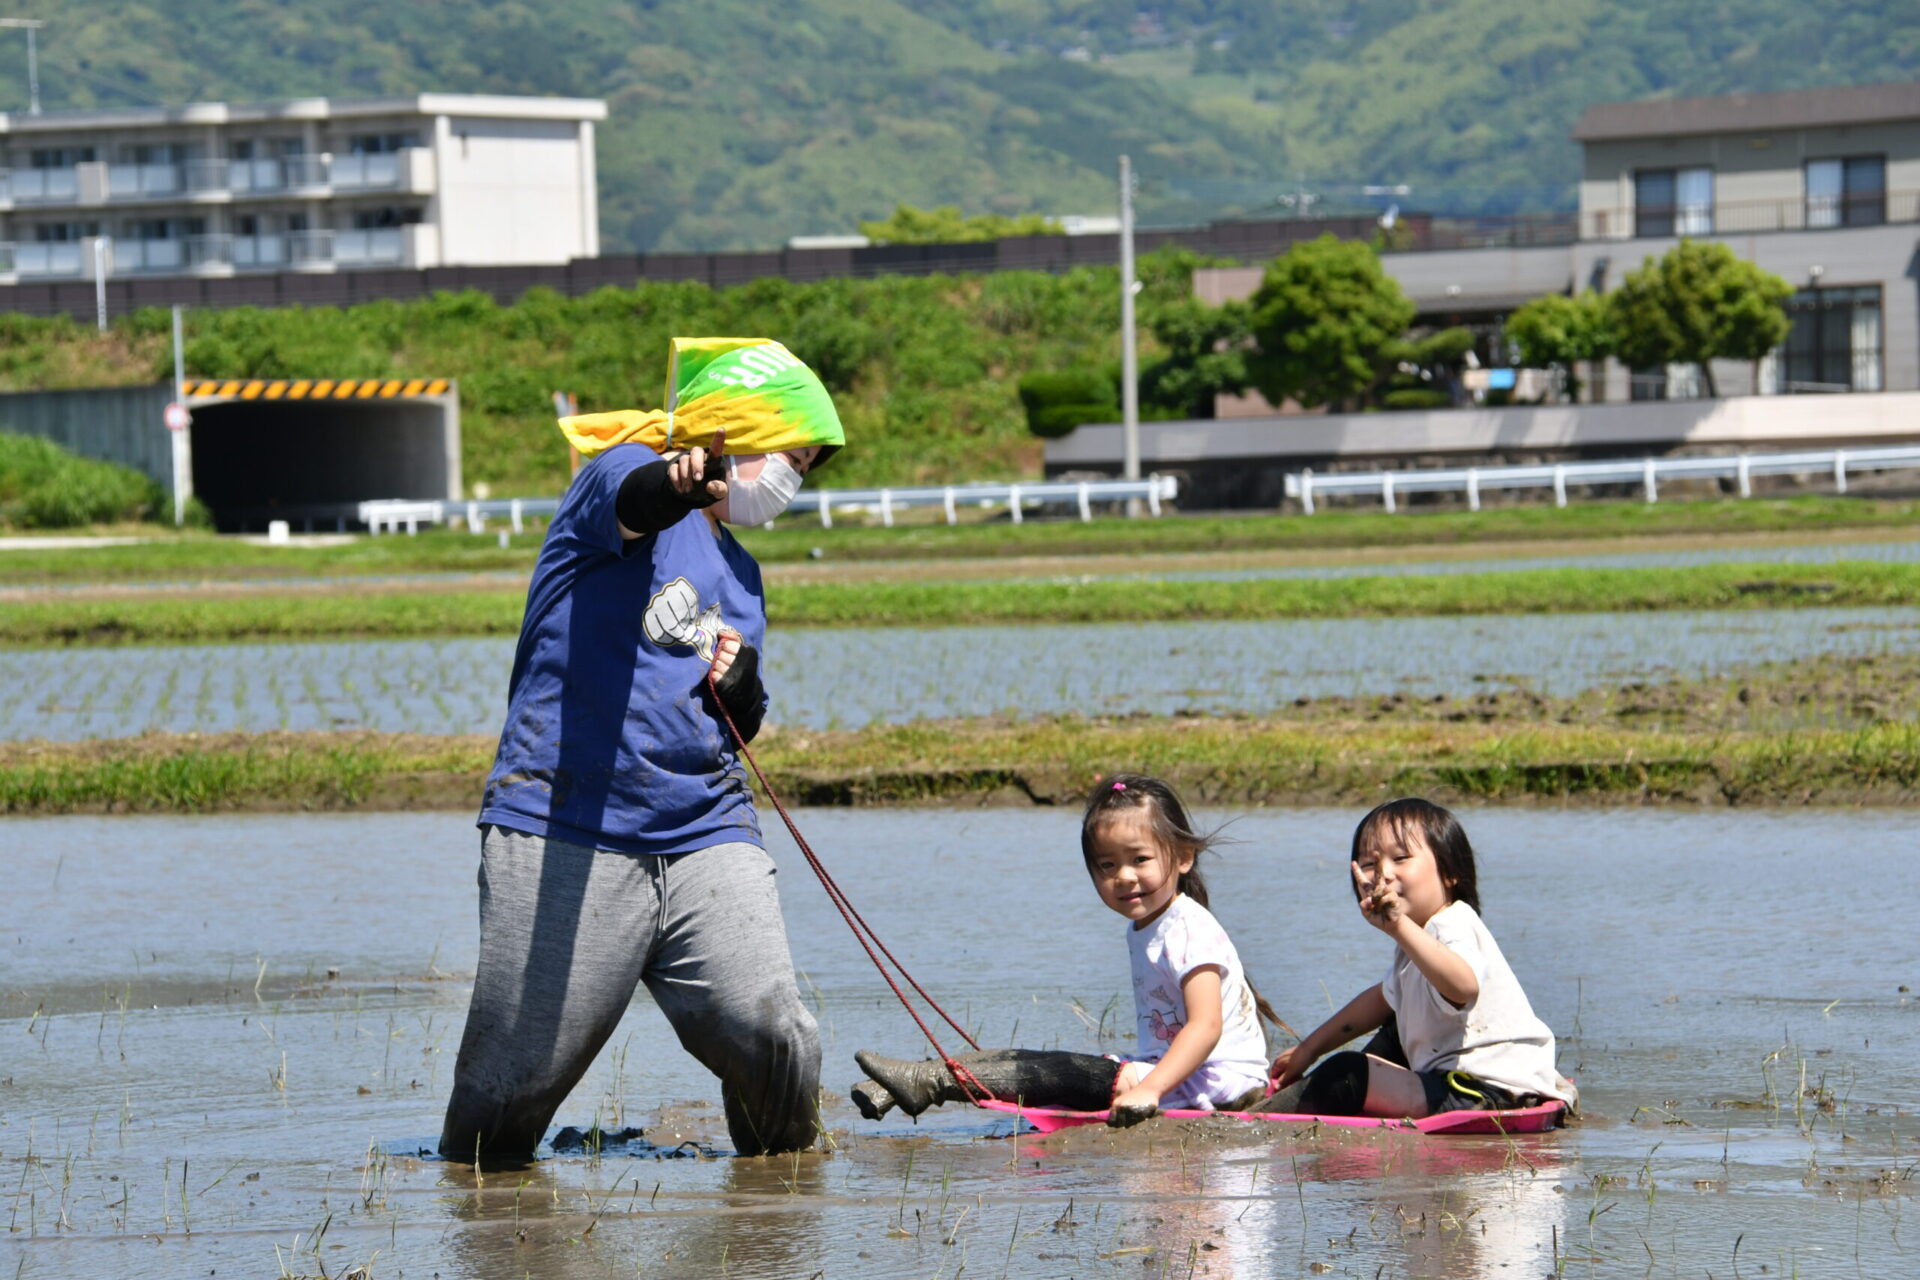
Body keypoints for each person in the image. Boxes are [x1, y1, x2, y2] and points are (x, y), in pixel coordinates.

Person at [439, 338, 845, 1164]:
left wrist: (745, 694)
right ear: (734, 437)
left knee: (777, 1033)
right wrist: (677, 481)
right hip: (567, 827)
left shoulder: (742, 571)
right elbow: (637, 497)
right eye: (790, 457)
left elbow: (738, 720)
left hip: (705, 829)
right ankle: (470, 1201)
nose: (790, 483)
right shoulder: (617, 473)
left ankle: (775, 1206)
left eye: (805, 467)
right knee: (507, 1099)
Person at [851, 773, 1284, 1128]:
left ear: (1184, 856)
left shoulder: (1190, 928)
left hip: (1221, 1080)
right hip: (1178, 1069)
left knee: (1071, 1073)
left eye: (1140, 859)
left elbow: (1206, 1027)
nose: (1125, 877)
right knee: (1063, 1066)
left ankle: (930, 1082)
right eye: (1107, 866)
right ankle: (907, 1083)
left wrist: (1149, 1089)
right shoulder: (1147, 925)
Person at [1262, 798, 1576, 1118]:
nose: (1383, 874)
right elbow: (1380, 1000)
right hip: (1460, 1086)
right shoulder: (1415, 940)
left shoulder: (1453, 922)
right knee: (1392, 1031)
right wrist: (1308, 1049)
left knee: (1347, 1073)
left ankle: (1259, 1121)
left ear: (1450, 873)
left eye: (1400, 858)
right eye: (1369, 864)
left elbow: (1463, 986)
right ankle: (1329, 1102)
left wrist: (1398, 926)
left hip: (1487, 1092)